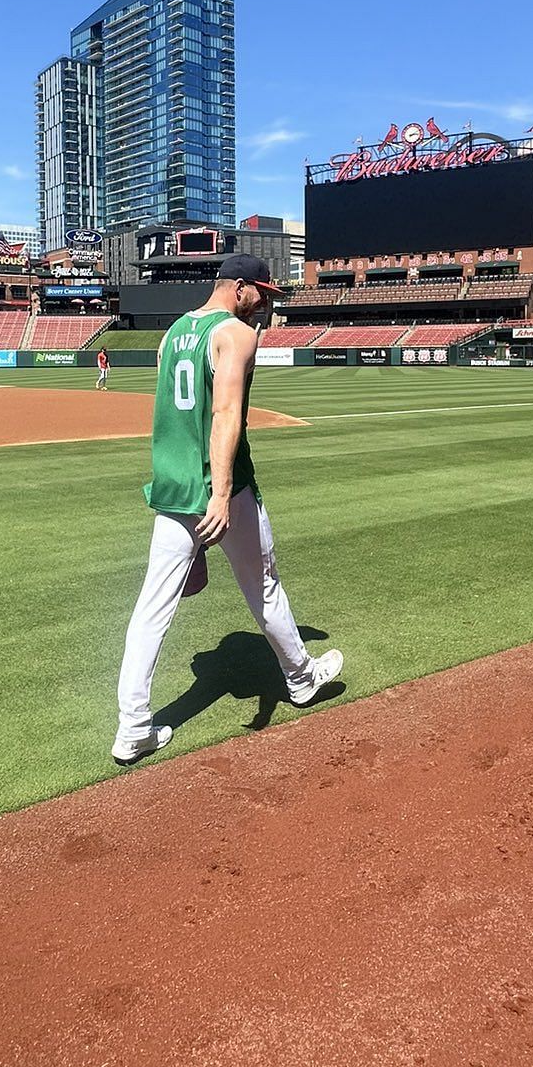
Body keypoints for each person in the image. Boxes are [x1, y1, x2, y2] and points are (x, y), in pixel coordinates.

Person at [112, 254, 343, 767]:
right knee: (262, 586)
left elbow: (174, 415)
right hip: (223, 488)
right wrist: (219, 493)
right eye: (262, 292)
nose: (266, 304)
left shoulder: (173, 332)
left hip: (172, 487)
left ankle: (132, 729)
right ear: (238, 288)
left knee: (151, 609)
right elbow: (223, 415)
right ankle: (301, 680)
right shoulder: (237, 334)